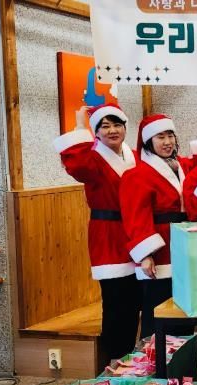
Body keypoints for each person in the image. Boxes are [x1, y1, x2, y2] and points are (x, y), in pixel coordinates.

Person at [53, 103, 140, 363]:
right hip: (108, 234)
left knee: (135, 300)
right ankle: (115, 359)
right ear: (96, 132)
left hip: (138, 231)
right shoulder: (91, 158)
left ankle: (134, 357)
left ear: (125, 127)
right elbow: (76, 167)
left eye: (117, 125)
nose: (112, 130)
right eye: (105, 126)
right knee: (115, 301)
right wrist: (80, 126)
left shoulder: (134, 156)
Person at [120, 114, 193, 338]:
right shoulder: (136, 175)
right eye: (160, 137)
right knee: (157, 305)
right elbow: (136, 215)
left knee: (183, 307)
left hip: (183, 243)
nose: (167, 142)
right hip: (160, 250)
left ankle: (184, 352)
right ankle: (156, 355)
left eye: (170, 136)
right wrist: (145, 254)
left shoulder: (183, 168)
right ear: (148, 141)